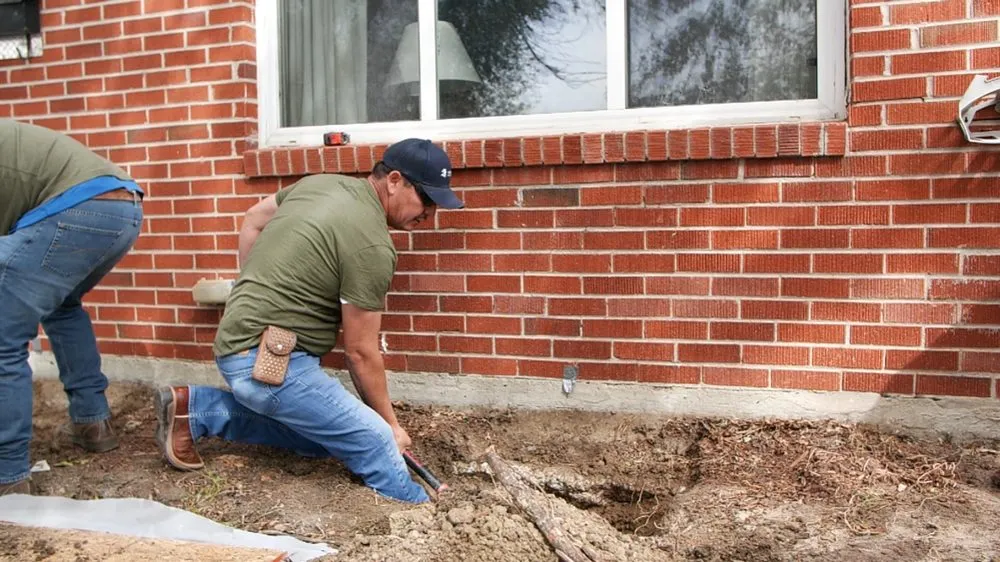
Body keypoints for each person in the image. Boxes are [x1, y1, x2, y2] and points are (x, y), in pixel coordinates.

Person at [155, 138, 462, 503]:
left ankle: (197, 409)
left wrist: (253, 293)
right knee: (374, 440)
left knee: (328, 439)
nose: (430, 215)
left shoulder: (319, 183)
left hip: (237, 345)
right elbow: (360, 353)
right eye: (426, 199)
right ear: (394, 180)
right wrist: (390, 426)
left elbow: (253, 219)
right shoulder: (373, 246)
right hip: (268, 364)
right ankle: (414, 505)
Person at [0, 119, 144, 496]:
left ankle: (8, 474)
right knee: (63, 307)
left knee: (3, 338)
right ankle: (92, 422)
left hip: (73, 208)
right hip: (123, 209)